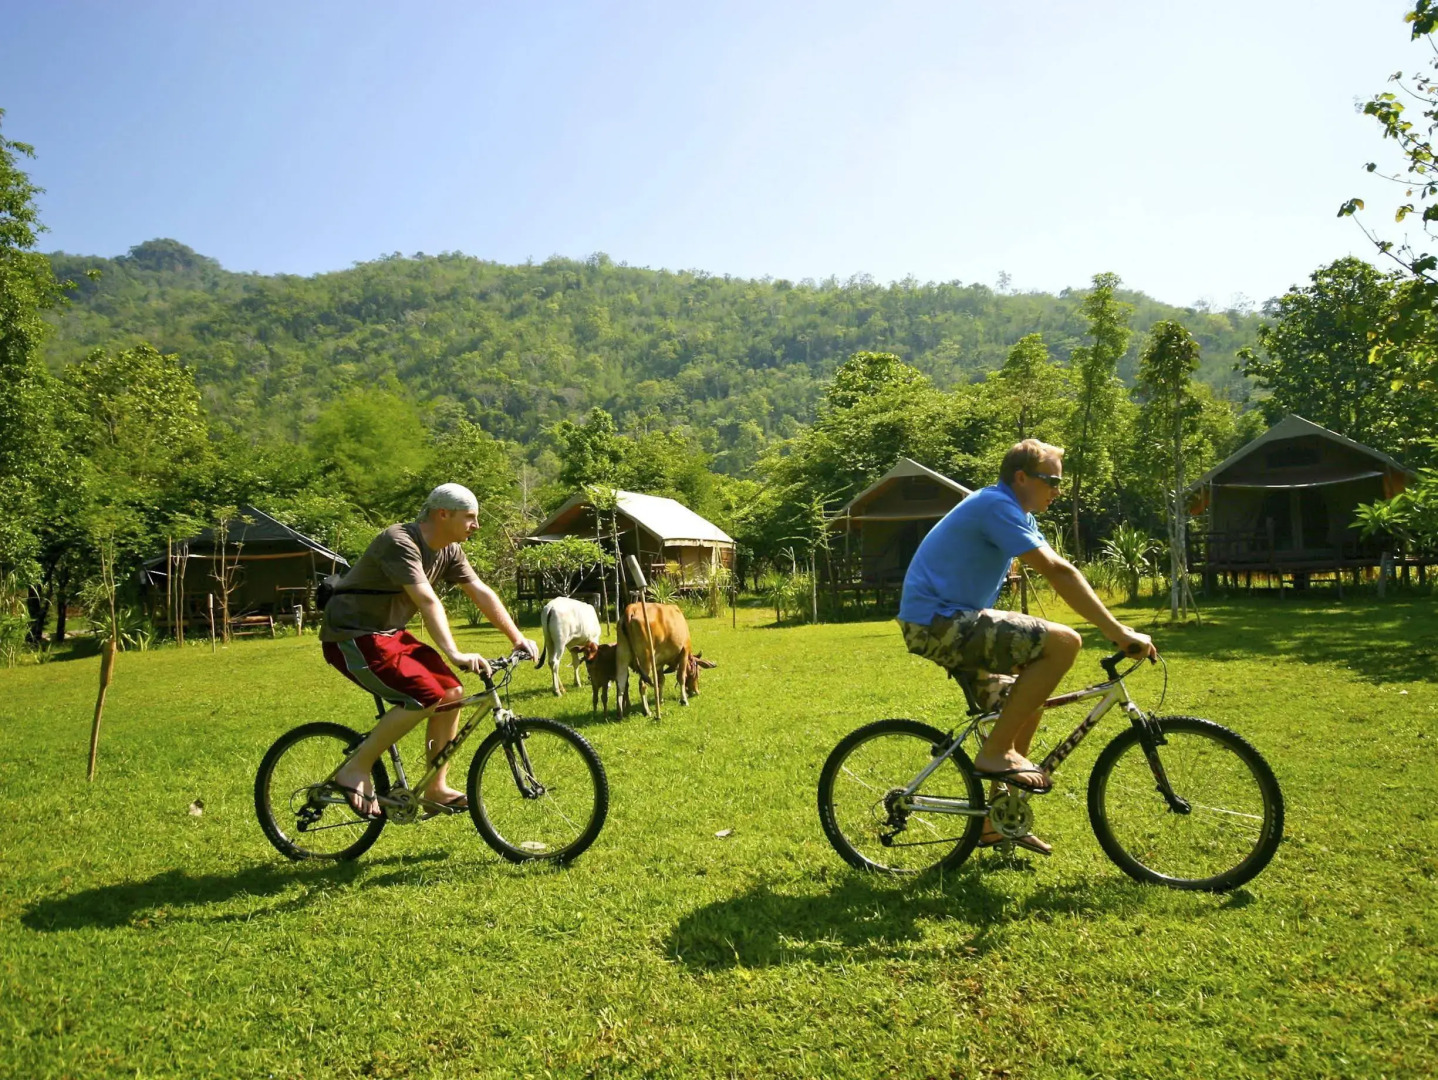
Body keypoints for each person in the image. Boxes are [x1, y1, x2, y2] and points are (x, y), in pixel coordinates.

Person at [897, 438, 1155, 855]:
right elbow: (1058, 571)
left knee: (1025, 696)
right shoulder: (995, 505)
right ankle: (996, 753)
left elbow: (1059, 569)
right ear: (1021, 477)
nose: (1057, 490)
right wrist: (1119, 631)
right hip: (938, 621)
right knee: (1063, 643)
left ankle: (998, 819)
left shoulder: (1015, 512)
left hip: (946, 621)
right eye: (1051, 481)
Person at [321, 483, 538, 819]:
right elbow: (426, 600)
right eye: (470, 517)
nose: (476, 526)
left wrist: (516, 637)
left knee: (451, 692)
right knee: (424, 695)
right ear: (442, 514)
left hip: (389, 634)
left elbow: (479, 591)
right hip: (352, 634)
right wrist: (455, 653)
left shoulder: (449, 550)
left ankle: (436, 788)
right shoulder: (399, 542)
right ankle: (355, 768)